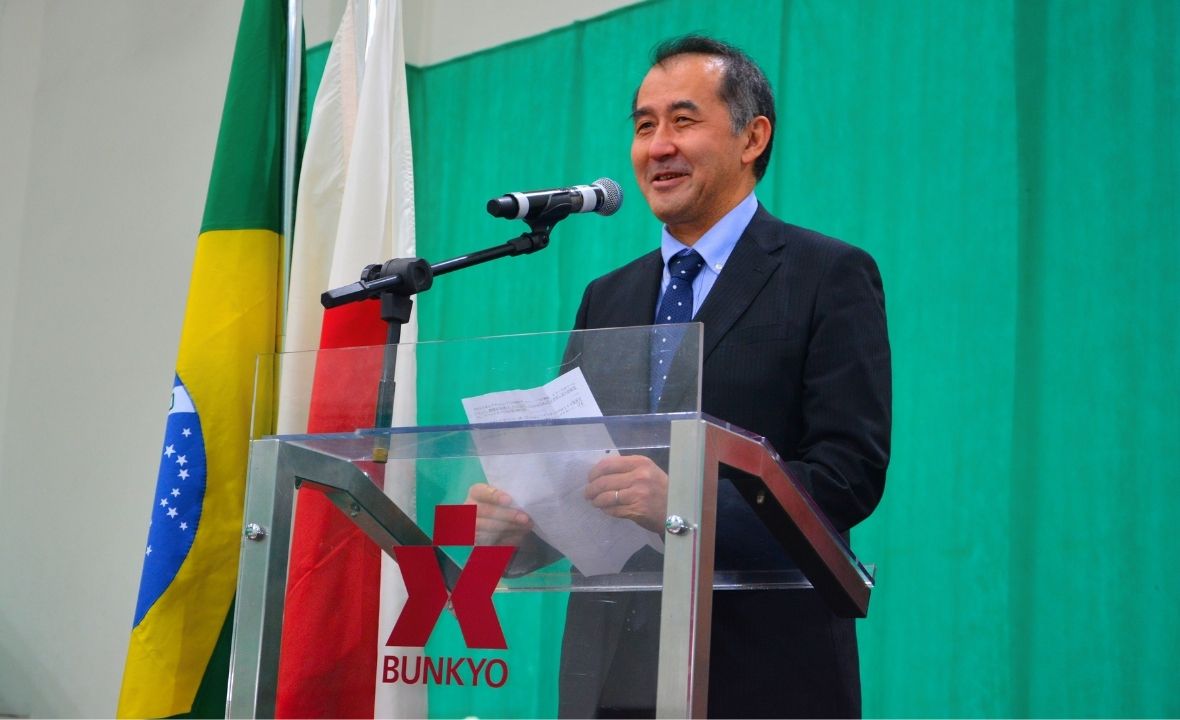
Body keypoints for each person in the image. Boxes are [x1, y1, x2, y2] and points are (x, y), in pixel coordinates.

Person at [470, 34, 890, 718]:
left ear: (753, 138)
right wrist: (519, 528)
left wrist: (687, 505)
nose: (658, 146)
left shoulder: (826, 275)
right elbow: (589, 481)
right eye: (644, 126)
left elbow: (848, 476)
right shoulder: (606, 298)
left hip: (761, 674)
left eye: (683, 121)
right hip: (610, 678)